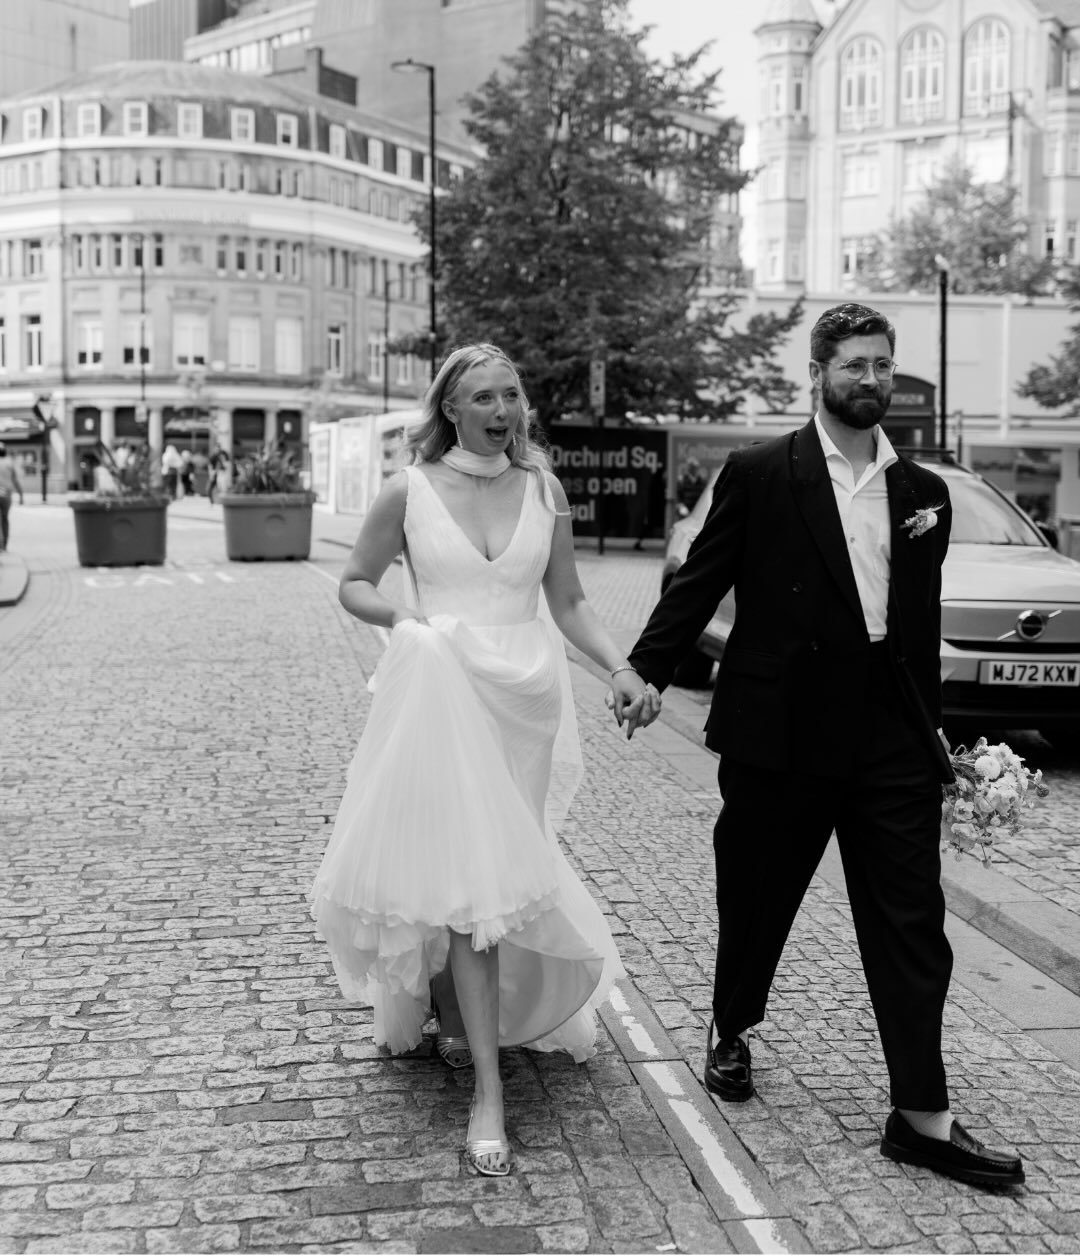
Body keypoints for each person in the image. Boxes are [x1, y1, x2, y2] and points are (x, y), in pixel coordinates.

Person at [612, 303, 1024, 1190]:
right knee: (758, 897)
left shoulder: (924, 494)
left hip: (888, 735)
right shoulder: (763, 472)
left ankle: (921, 1116)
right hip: (781, 728)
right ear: (818, 374)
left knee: (912, 921)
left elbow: (917, 628)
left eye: (882, 365)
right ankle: (732, 1026)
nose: (871, 379)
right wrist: (646, 668)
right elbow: (699, 582)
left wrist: (934, 738)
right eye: (854, 365)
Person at [310, 343, 659, 1179]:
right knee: (473, 889)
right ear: (451, 408)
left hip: (526, 704)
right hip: (444, 690)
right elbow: (354, 582)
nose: (503, 411)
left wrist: (620, 668)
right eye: (484, 397)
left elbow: (568, 600)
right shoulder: (409, 490)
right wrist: (408, 626)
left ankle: (456, 1010)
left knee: (492, 877)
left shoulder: (545, 489)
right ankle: (489, 1095)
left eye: (511, 395)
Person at [0, 442, 24, 552]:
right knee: (5, 519)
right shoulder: (9, 463)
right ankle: (4, 544)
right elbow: (15, 480)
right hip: (6, 495)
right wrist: (21, 494)